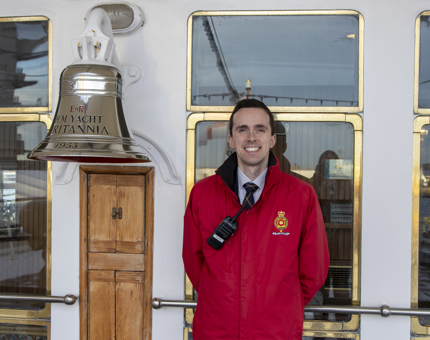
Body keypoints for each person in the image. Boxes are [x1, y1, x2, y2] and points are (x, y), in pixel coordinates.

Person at [183, 99, 329, 340]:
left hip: (275, 332)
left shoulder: (301, 196)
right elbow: (193, 260)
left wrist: (280, 305)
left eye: (260, 129)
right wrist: (221, 298)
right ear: (231, 139)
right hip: (217, 331)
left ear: (272, 140)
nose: (251, 137)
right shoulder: (202, 194)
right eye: (243, 129)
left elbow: (314, 270)